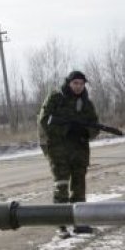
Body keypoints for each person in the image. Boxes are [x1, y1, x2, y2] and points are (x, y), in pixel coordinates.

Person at [37, 70, 100, 238]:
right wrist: (67, 129)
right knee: (61, 186)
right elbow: (44, 121)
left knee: (79, 187)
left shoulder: (86, 103)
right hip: (58, 149)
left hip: (79, 150)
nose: (78, 87)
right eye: (75, 83)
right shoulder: (56, 98)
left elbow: (95, 126)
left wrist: (85, 131)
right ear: (69, 83)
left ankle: (79, 222)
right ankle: (61, 224)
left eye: (81, 84)